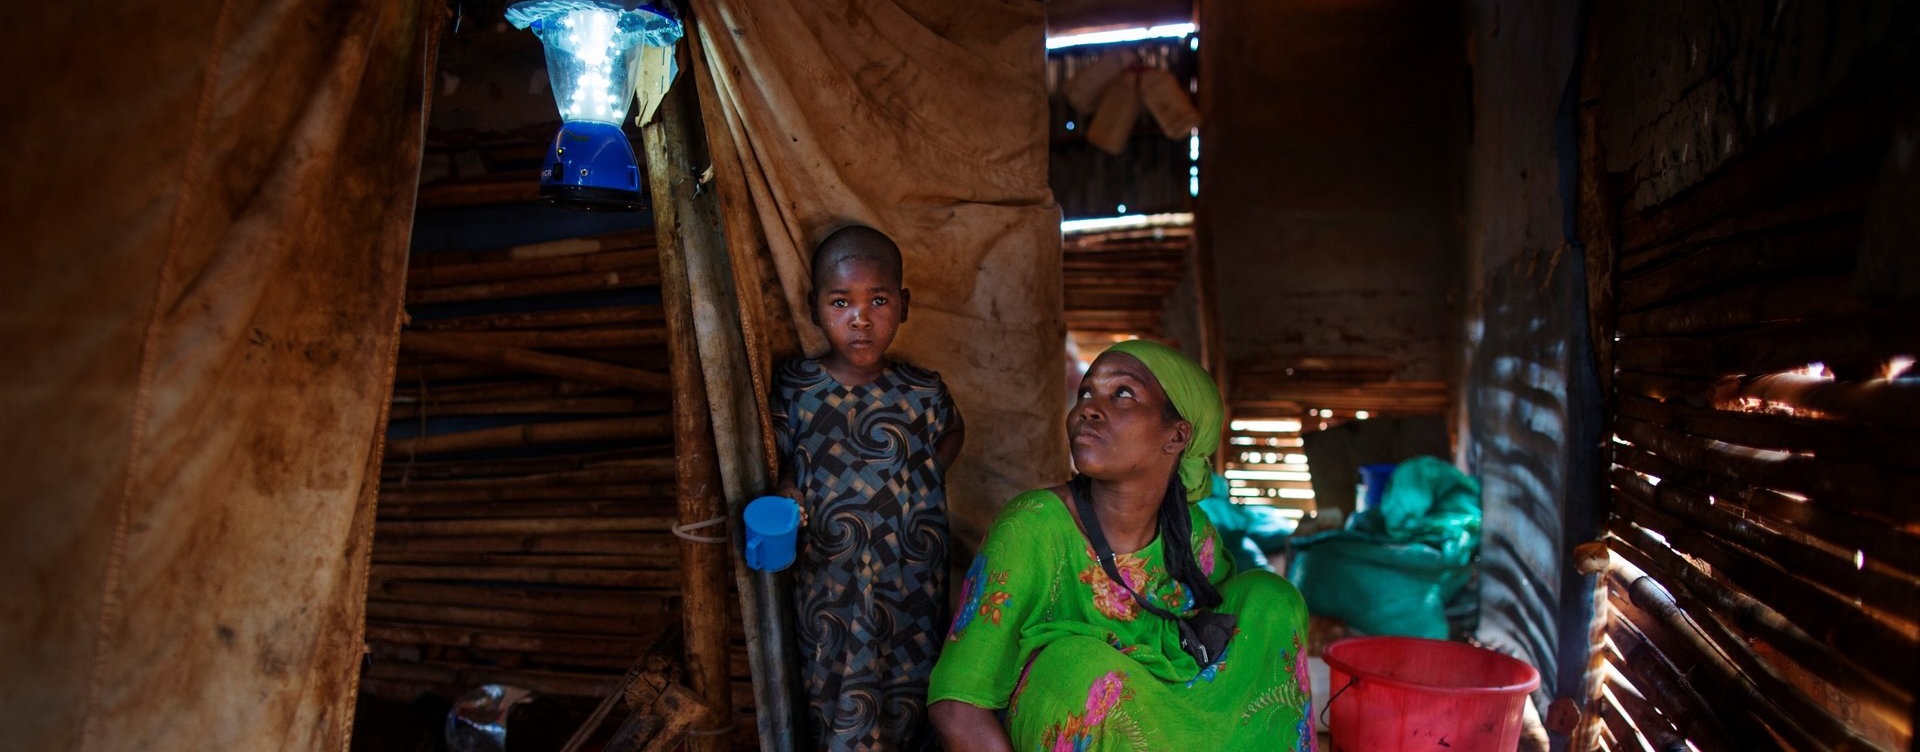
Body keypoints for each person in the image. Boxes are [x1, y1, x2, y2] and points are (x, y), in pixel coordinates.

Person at [927, 340, 1314, 752]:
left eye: (1123, 394)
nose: (1088, 409)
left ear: (1176, 435)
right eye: (1086, 393)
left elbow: (1228, 664)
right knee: (1079, 667)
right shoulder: (1033, 526)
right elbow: (956, 706)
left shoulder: (1193, 536)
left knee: (1271, 597)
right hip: (1071, 727)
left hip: (1170, 728)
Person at [771, 224, 966, 751]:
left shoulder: (923, 391)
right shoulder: (797, 387)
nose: (860, 319)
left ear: (903, 305)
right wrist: (791, 489)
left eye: (878, 300)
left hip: (911, 579)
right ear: (814, 307)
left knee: (910, 687)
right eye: (841, 302)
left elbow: (952, 433)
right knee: (835, 693)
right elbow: (784, 461)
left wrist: (918, 480)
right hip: (828, 582)